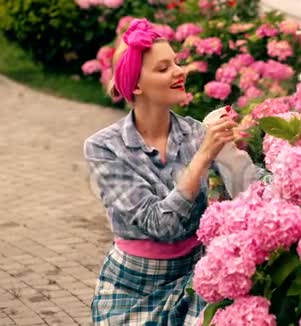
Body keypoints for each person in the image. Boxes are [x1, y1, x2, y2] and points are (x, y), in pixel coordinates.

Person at [84, 18, 263, 325]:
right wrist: (205, 155)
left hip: (196, 276)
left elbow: (255, 189)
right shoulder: (105, 148)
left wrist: (236, 155)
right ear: (136, 85)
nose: (180, 72)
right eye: (163, 68)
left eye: (177, 63)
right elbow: (160, 224)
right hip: (131, 288)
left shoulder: (198, 133)